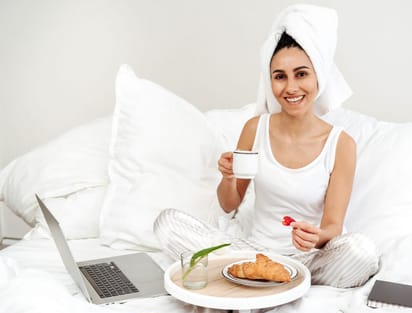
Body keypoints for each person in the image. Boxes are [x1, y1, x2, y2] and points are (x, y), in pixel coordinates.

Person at [155, 5, 379, 288]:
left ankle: (270, 283)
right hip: (250, 252)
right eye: (280, 76)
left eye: (301, 74)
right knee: (167, 224)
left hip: (307, 260)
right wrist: (228, 177)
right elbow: (229, 204)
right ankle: (261, 279)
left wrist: (317, 237)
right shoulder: (255, 128)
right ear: (270, 81)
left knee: (362, 253)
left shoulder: (341, 144)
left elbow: (333, 226)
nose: (291, 88)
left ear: (318, 77)